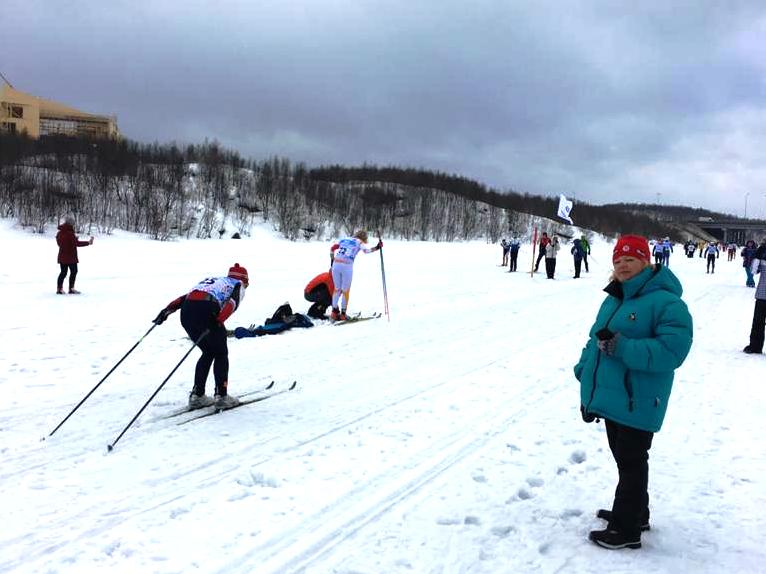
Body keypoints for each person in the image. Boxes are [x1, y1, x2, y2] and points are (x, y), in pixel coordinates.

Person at [574, 235, 693, 550]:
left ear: (646, 261)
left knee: (631, 460)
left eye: (630, 259)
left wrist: (624, 347)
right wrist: (585, 367)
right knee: (625, 458)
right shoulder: (615, 298)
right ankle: (636, 513)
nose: (623, 266)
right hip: (615, 397)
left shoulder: (667, 303)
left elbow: (673, 350)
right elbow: (594, 340)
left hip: (638, 398)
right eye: (618, 261)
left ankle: (626, 530)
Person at [152, 263, 250, 409]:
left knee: (209, 352)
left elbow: (184, 298)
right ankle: (222, 397)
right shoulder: (238, 284)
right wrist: (219, 320)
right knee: (221, 353)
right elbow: (232, 303)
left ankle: (197, 395)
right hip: (207, 311)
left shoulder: (216, 281)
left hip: (186, 313)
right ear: (245, 280)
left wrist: (166, 311)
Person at [329, 230, 382, 320]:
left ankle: (334, 312)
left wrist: (332, 259)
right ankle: (343, 314)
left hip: (336, 264)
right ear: (363, 238)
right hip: (347, 266)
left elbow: (333, 248)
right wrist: (377, 247)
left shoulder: (344, 239)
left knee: (337, 289)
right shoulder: (359, 242)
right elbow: (366, 251)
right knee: (345, 291)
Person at [56, 216, 94, 294]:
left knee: (63, 272)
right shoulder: (70, 233)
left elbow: (61, 243)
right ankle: (71, 289)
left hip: (62, 256)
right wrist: (88, 243)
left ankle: (59, 289)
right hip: (71, 257)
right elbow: (76, 244)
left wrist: (74, 239)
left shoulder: (60, 232)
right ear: (71, 224)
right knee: (74, 271)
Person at [743, 239, 766, 354]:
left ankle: (755, 346)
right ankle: (755, 346)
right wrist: (757, 257)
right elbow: (753, 271)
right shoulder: (762, 251)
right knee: (758, 322)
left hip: (762, 294)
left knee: (758, 322)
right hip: (762, 294)